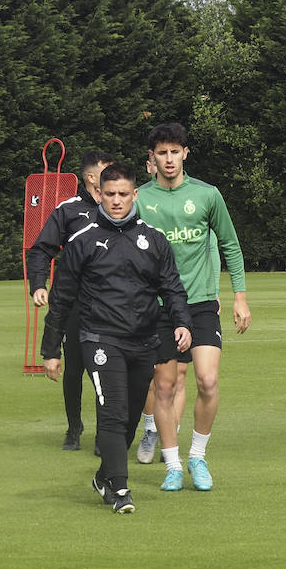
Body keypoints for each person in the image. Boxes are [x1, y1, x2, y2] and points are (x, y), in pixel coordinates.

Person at [41, 161, 192, 514]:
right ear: (99, 195)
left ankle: (104, 475)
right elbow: (61, 298)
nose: (117, 201)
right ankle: (121, 490)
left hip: (143, 341)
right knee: (112, 412)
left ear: (135, 194)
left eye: (124, 194)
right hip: (99, 338)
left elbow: (172, 288)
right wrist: (51, 350)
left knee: (128, 418)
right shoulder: (83, 241)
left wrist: (182, 323)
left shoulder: (153, 239)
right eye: (109, 194)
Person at [138, 122, 250, 492]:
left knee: (207, 379)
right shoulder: (139, 199)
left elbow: (231, 245)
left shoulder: (207, 195)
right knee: (165, 388)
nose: (169, 159)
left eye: (175, 151)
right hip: (157, 305)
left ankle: (198, 457)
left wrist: (239, 297)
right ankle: (172, 464)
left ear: (185, 153)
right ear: (152, 158)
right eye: (162, 153)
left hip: (201, 301)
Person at [26, 151, 114, 451]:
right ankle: (74, 427)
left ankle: (106, 434)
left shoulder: (121, 209)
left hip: (113, 307)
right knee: (75, 369)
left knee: (108, 370)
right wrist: (39, 284)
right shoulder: (69, 210)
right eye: (107, 171)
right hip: (76, 305)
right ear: (91, 177)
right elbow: (40, 250)